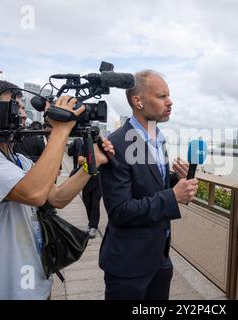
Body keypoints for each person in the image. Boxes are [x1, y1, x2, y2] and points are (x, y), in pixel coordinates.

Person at [0, 80, 114, 299]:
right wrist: (60, 129)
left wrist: (90, 164)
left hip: (36, 284)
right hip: (6, 293)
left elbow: (56, 197)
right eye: (16, 106)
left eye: (22, 106)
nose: (22, 114)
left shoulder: (18, 159)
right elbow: (34, 194)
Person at [99, 70, 198, 300]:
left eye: (169, 96)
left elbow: (148, 184)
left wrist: (175, 179)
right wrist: (173, 196)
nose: (170, 102)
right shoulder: (116, 145)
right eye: (162, 96)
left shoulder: (157, 138)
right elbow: (120, 211)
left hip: (160, 259)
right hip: (129, 266)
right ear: (138, 101)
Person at [68, 137, 102, 238]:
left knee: (95, 203)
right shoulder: (85, 146)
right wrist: (94, 159)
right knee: (87, 202)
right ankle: (90, 223)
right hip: (86, 179)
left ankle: (93, 226)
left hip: (99, 179)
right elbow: (80, 160)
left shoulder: (102, 146)